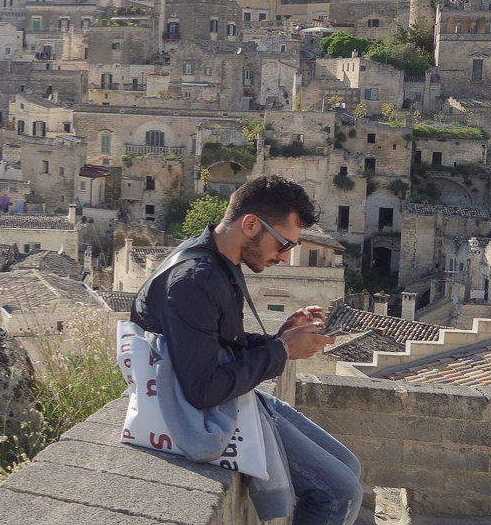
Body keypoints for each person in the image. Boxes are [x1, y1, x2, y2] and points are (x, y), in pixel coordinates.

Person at [131, 175, 363, 525]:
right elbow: (202, 389)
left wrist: (281, 337)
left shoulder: (217, 260)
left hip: (223, 388)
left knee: (348, 465)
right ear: (251, 224)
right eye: (284, 244)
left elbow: (222, 342)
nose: (285, 257)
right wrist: (283, 351)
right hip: (199, 406)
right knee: (338, 492)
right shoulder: (196, 279)